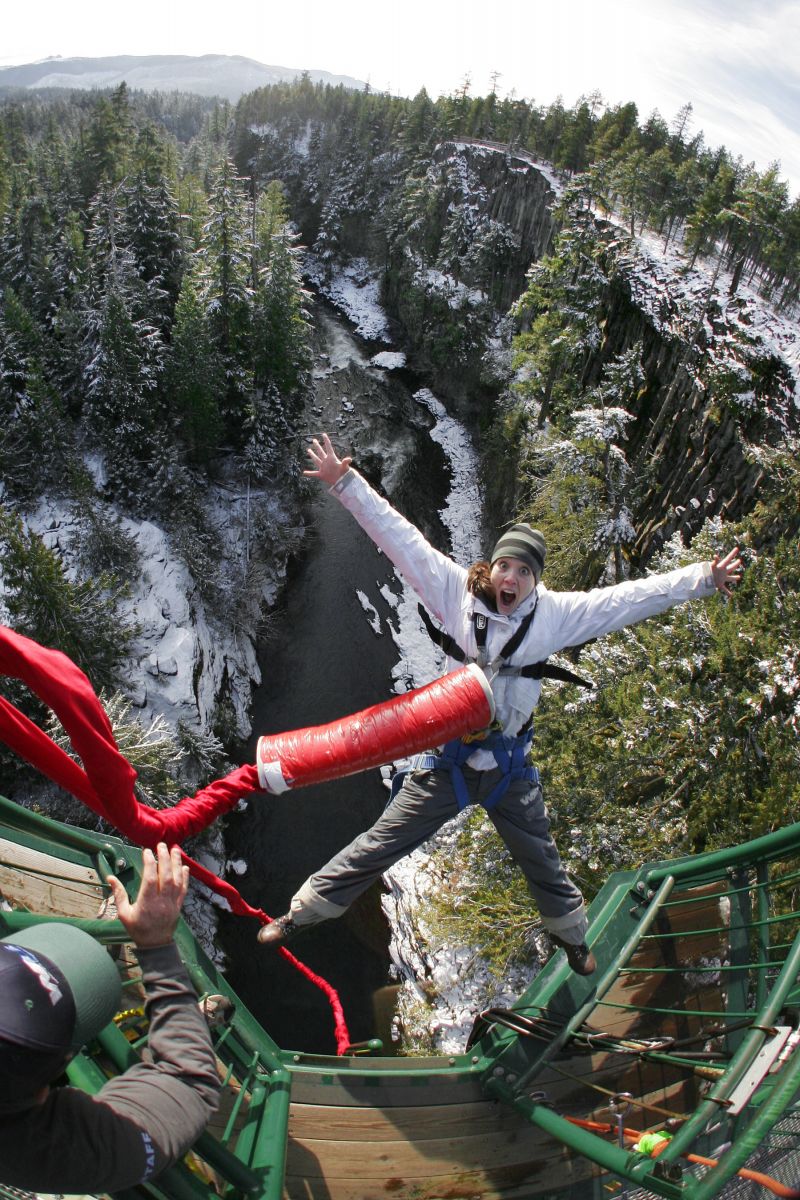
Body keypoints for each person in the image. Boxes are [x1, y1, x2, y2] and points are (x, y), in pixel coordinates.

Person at [257, 433, 742, 976]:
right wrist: (346, 483)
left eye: (524, 572)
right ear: (493, 566)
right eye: (506, 566)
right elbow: (401, 539)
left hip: (510, 768)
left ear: (535, 581)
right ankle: (302, 915)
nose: (511, 579)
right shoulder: (455, 595)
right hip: (449, 765)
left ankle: (573, 940)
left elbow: (627, 600)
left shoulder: (554, 616)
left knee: (542, 861)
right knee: (380, 844)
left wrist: (702, 578)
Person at [0, 842, 221, 1193]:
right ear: (42, 1093)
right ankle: (111, 946)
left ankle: (111, 954)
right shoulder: (56, 1151)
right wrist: (157, 944)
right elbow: (190, 1083)